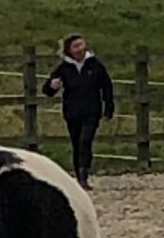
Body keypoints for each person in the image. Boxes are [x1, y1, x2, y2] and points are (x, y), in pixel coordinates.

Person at [42, 33, 114, 190]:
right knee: (76, 143)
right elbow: (47, 90)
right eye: (76, 46)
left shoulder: (95, 65)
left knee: (85, 140)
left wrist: (109, 106)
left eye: (82, 45)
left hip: (92, 111)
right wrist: (52, 86)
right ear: (69, 50)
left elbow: (106, 85)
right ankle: (79, 176)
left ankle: (83, 174)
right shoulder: (64, 68)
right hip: (72, 112)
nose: (80, 49)